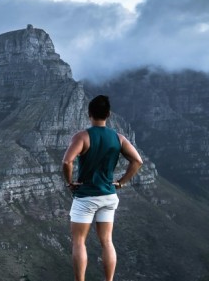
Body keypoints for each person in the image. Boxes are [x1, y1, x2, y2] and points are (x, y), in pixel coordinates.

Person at [62, 95, 143, 281]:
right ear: (108, 114)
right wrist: (121, 182)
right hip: (109, 196)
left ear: (89, 113)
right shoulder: (119, 138)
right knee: (107, 241)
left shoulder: (82, 137)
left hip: (86, 196)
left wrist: (69, 182)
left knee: (79, 241)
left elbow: (67, 161)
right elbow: (137, 161)